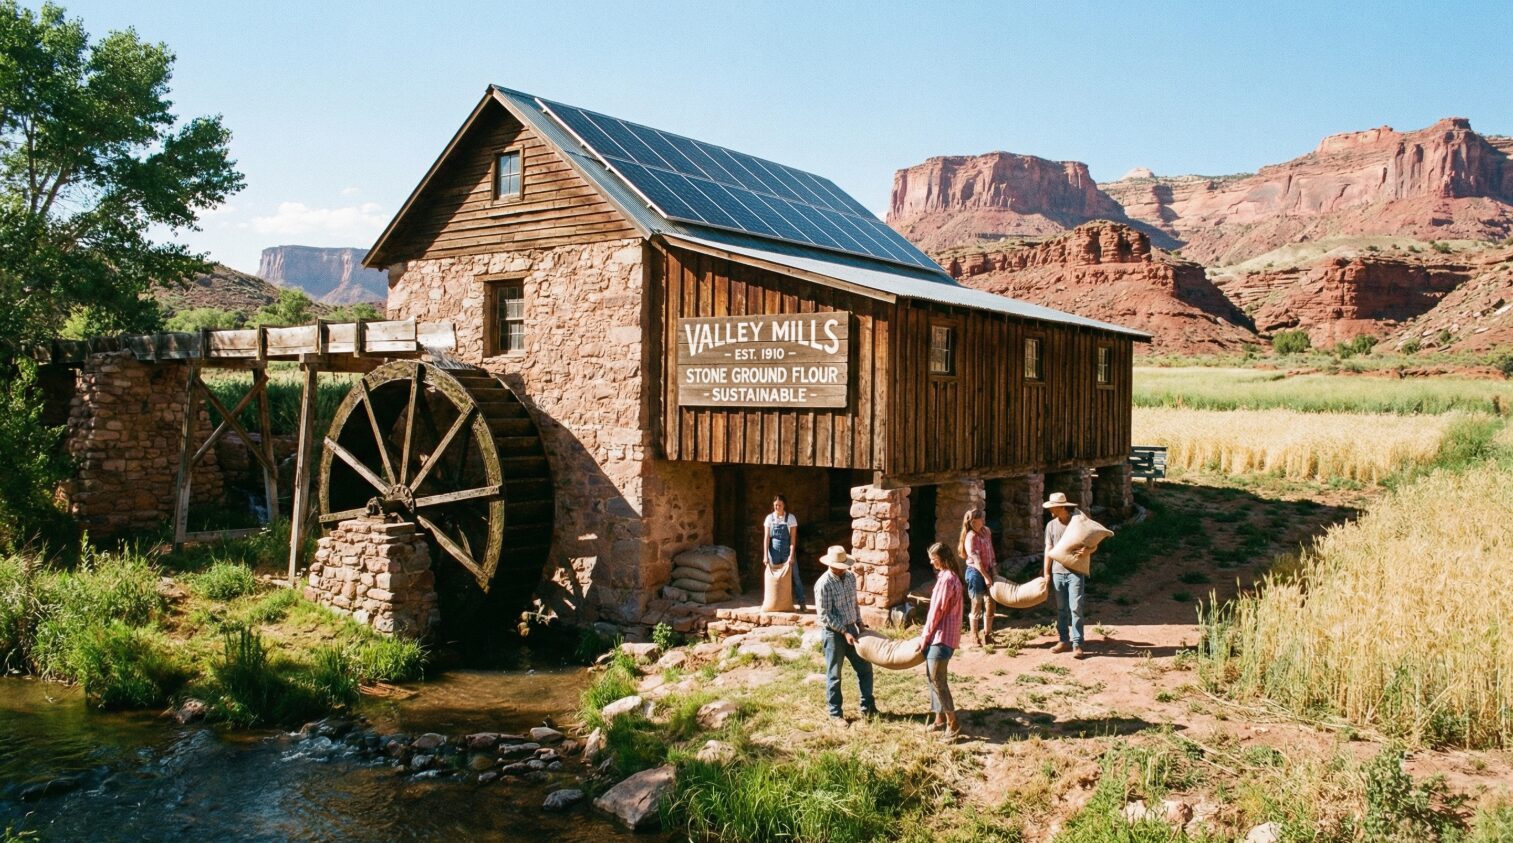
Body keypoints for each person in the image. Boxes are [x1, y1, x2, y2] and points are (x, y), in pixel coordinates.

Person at [813, 545, 876, 724]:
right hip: (834, 633)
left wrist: (859, 623)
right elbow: (825, 614)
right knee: (834, 675)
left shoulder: (850, 577)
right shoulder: (824, 583)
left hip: (852, 628)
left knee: (864, 667)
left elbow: (853, 602)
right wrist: (843, 631)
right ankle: (835, 714)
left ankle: (868, 706)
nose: (841, 570)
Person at [920, 541, 964, 737]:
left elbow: (936, 611)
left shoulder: (947, 580)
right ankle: (939, 719)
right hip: (946, 636)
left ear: (943, 558)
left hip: (941, 637)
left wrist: (925, 636)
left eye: (934, 558)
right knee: (933, 678)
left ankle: (952, 724)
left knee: (938, 681)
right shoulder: (950, 577)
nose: (931, 562)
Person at [1042, 491, 1086, 658]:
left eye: (1053, 507)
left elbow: (1091, 543)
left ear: (1061, 507)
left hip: (1075, 571)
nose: (1050, 510)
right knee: (1061, 608)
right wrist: (1046, 572)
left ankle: (1077, 643)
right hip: (1057, 571)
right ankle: (1063, 640)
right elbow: (1048, 549)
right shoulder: (1051, 526)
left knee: (1076, 607)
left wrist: (1087, 551)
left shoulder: (1077, 523)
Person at [959, 508, 996, 647]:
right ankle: (974, 635)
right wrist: (986, 577)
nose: (983, 520)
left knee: (991, 602)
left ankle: (988, 634)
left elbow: (991, 551)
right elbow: (976, 561)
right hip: (975, 572)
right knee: (977, 603)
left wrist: (994, 570)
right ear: (974, 521)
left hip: (988, 570)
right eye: (981, 518)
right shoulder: (971, 537)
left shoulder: (986, 531)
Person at [763, 495, 804, 609]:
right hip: (774, 552)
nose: (777, 507)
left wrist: (791, 556)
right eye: (775, 505)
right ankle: (775, 604)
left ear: (784, 505)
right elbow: (767, 538)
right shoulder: (769, 518)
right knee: (774, 578)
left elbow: (793, 539)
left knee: (795, 576)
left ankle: (802, 602)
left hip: (787, 551)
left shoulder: (791, 518)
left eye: (780, 505)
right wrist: (765, 556)